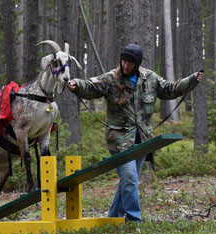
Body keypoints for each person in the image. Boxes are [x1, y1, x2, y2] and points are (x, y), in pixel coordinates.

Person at [68, 43, 203, 223]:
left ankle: (112, 219)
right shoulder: (111, 78)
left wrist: (192, 79)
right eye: (123, 61)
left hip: (143, 140)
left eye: (130, 63)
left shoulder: (150, 78)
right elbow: (91, 87)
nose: (125, 66)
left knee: (128, 180)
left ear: (137, 64)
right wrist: (76, 85)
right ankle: (133, 221)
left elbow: (170, 89)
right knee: (130, 178)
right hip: (119, 139)